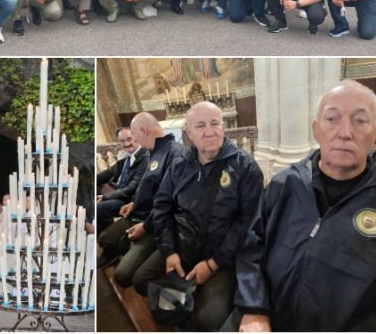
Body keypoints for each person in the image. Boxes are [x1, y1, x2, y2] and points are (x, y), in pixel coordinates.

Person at [233, 80, 376, 332]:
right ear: (316, 129)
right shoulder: (284, 184)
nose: (345, 132)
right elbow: (251, 248)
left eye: (360, 121)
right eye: (332, 119)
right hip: (266, 317)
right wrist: (254, 309)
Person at [137, 102, 264, 331]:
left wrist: (213, 264)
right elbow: (162, 205)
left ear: (223, 127)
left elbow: (247, 224)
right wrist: (170, 252)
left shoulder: (246, 168)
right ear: (188, 132)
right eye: (200, 126)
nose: (209, 132)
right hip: (182, 246)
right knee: (140, 281)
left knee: (207, 320)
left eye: (215, 124)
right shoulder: (179, 164)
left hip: (222, 256)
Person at [103, 113, 185, 283]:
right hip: (139, 214)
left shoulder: (174, 154)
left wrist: (145, 227)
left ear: (144, 131)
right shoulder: (154, 151)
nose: (135, 140)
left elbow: (169, 203)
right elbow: (149, 187)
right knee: (106, 239)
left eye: (134, 134)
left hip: (156, 223)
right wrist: (135, 202)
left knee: (124, 275)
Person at [95, 127, 148, 235]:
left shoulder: (145, 157)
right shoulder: (125, 157)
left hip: (129, 199)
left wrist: (105, 197)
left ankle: (108, 236)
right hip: (118, 191)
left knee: (99, 207)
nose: (126, 144)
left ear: (135, 137)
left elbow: (133, 187)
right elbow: (107, 173)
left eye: (129, 139)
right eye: (122, 141)